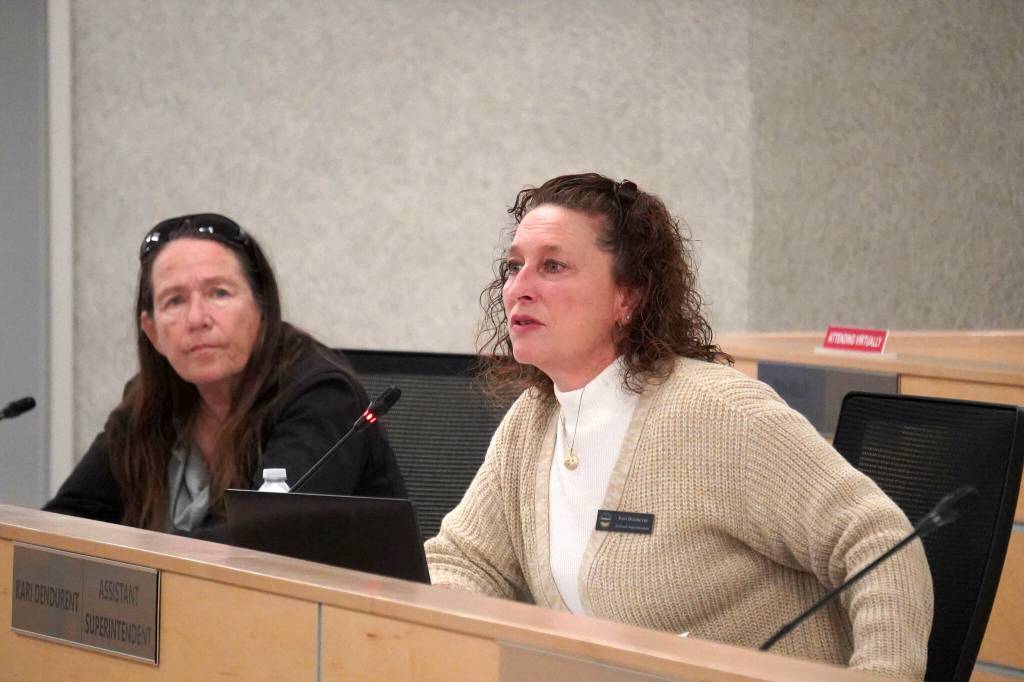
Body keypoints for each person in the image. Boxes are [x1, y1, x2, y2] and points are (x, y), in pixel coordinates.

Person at [425, 174, 933, 679]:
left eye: (552, 266)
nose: (518, 288)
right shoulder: (533, 423)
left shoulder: (719, 413)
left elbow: (879, 540)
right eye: (513, 267)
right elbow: (468, 561)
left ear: (629, 297)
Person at [45, 213, 406, 534]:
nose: (197, 318)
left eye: (219, 293)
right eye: (175, 300)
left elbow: (267, 540)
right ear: (152, 331)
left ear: (261, 309)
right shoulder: (148, 402)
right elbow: (66, 521)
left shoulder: (321, 394)